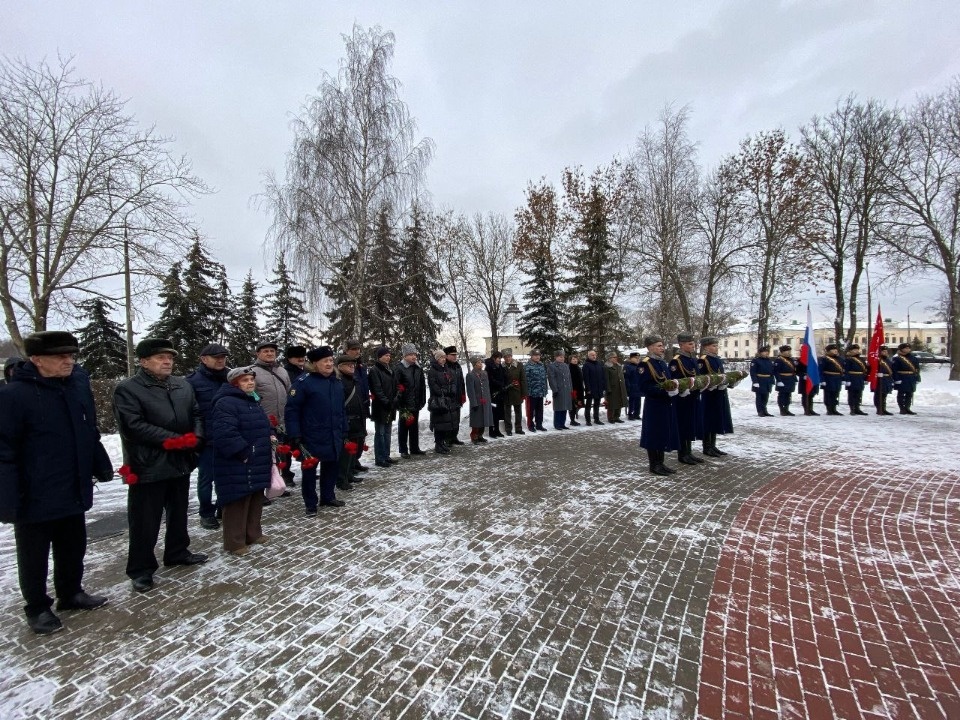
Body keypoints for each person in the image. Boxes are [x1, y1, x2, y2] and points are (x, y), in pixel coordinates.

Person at [0, 332, 113, 634]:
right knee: (34, 554)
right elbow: (4, 450)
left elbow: (88, 431)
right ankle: (37, 607)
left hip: (72, 484)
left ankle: (71, 593)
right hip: (34, 491)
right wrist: (8, 497)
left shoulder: (73, 388)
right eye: (60, 357)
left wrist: (100, 464)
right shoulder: (13, 396)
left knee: (72, 544)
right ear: (36, 360)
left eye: (71, 356)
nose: (68, 361)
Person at [114, 338, 207, 594]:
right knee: (145, 519)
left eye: (170, 357)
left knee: (179, 510)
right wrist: (176, 441)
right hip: (148, 465)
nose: (167, 361)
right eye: (160, 357)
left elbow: (196, 413)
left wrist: (197, 438)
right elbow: (133, 426)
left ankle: (177, 551)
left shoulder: (182, 385)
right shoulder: (128, 389)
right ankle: (141, 569)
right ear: (144, 362)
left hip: (180, 461)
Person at [208, 367, 271, 556]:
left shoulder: (253, 401)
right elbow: (225, 432)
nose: (250, 383)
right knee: (237, 501)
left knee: (254, 497)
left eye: (251, 379)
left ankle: (253, 533)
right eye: (245, 380)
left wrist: (272, 435)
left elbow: (262, 425)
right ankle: (235, 542)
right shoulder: (226, 403)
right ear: (235, 384)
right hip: (237, 460)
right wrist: (243, 452)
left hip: (257, 457)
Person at [285, 346, 348, 514]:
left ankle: (328, 496)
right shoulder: (303, 382)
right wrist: (295, 435)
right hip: (311, 435)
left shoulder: (336, 381)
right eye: (325, 361)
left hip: (333, 432)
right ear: (314, 363)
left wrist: (344, 429)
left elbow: (341, 409)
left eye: (330, 360)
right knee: (310, 471)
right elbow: (292, 410)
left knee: (331, 466)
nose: (329, 364)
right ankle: (310, 503)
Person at [186, 342, 231, 529]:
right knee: (207, 478)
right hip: (207, 439)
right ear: (204, 359)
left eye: (223, 357)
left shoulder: (231, 377)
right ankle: (206, 512)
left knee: (227, 476)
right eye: (216, 357)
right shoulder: (192, 382)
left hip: (228, 437)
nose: (221, 360)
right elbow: (189, 412)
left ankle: (223, 507)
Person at [637, 335, 681, 476]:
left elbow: (667, 381)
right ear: (650, 347)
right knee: (654, 433)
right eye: (659, 345)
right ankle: (654, 464)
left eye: (662, 345)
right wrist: (665, 392)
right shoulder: (645, 364)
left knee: (663, 432)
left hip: (665, 404)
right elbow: (644, 387)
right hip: (654, 404)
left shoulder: (662, 363)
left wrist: (673, 389)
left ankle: (661, 463)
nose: (662, 348)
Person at [252, 341, 292, 490]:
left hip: (281, 423)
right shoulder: (252, 372)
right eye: (265, 351)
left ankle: (277, 486)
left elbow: (289, 393)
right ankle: (261, 490)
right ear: (258, 353)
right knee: (263, 458)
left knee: (280, 456)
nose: (269, 353)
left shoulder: (282, 371)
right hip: (263, 423)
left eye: (272, 351)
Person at [668, 332, 704, 465]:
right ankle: (682, 454)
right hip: (682, 399)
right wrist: (682, 391)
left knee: (690, 424)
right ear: (681, 345)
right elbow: (674, 380)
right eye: (690, 344)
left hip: (693, 397)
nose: (693, 345)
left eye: (693, 343)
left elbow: (697, 377)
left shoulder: (693, 359)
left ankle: (689, 452)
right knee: (683, 425)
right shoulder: (676, 361)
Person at [697, 337, 734, 457]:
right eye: (713, 346)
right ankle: (706, 446)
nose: (716, 348)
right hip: (709, 394)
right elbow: (702, 378)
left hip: (718, 393)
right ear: (706, 347)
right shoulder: (703, 360)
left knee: (716, 419)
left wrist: (727, 382)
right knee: (708, 419)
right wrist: (710, 386)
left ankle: (713, 445)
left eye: (717, 346)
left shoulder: (717, 359)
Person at [336, 354, 366, 490]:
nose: (352, 367)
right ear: (340, 367)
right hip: (347, 420)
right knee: (345, 452)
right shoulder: (339, 381)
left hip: (357, 419)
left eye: (353, 365)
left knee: (353, 450)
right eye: (349, 365)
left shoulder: (353, 379)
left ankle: (349, 474)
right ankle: (341, 479)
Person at [395, 344, 427, 458]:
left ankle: (414, 448)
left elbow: (422, 386)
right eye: (410, 354)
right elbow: (397, 386)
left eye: (414, 354)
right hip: (404, 404)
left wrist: (422, 400)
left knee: (414, 426)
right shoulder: (399, 368)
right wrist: (399, 402)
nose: (414, 357)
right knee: (404, 427)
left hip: (416, 402)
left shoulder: (418, 368)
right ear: (405, 356)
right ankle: (403, 450)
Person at [344, 340, 371, 472]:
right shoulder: (344, 366)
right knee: (352, 437)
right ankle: (349, 464)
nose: (357, 351)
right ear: (346, 350)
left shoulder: (361, 366)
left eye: (358, 349)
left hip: (362, 405)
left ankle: (355, 461)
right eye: (353, 349)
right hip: (351, 406)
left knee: (361, 436)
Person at [369, 347, 397, 467]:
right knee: (380, 432)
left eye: (389, 355)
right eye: (385, 355)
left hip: (390, 405)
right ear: (379, 357)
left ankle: (386, 455)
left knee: (387, 432)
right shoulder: (375, 370)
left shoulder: (390, 369)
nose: (388, 357)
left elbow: (395, 386)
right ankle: (379, 458)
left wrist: (395, 399)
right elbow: (377, 389)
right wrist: (386, 401)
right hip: (380, 406)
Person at [428, 350, 460, 454]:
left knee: (446, 423)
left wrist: (452, 390)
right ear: (437, 359)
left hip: (448, 400)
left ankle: (442, 443)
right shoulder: (433, 370)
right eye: (441, 357)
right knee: (439, 424)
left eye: (444, 357)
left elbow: (453, 381)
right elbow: (433, 385)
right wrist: (443, 392)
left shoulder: (447, 369)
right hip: (439, 401)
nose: (443, 359)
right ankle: (438, 444)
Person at [466, 357, 493, 443]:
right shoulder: (470, 375)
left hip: (485, 400)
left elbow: (487, 387)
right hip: (477, 400)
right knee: (476, 419)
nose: (480, 364)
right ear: (474, 365)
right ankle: (474, 436)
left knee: (484, 418)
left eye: (481, 362)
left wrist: (488, 399)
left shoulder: (485, 373)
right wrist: (474, 402)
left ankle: (480, 435)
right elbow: (470, 390)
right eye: (478, 363)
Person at [444, 346, 467, 446]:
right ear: (446, 355)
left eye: (455, 355)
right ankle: (448, 438)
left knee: (456, 418)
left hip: (457, 396)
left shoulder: (457, 366)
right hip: (449, 397)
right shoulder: (445, 366)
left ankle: (454, 437)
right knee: (449, 419)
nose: (454, 357)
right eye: (452, 355)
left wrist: (463, 394)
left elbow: (461, 381)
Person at [890, 342, 921, 415]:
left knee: (909, 394)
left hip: (911, 378)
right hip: (902, 377)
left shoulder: (914, 358)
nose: (907, 349)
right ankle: (902, 408)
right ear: (901, 349)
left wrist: (917, 378)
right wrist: (896, 379)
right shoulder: (897, 358)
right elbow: (894, 370)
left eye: (908, 348)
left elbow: (917, 369)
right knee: (901, 394)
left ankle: (907, 408)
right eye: (905, 348)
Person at [502, 349, 527, 434]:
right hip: (507, 393)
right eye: (505, 357)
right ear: (504, 358)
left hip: (517, 391)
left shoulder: (519, 365)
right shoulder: (502, 367)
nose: (508, 359)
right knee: (507, 412)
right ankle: (508, 429)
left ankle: (518, 428)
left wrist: (524, 393)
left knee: (518, 411)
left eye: (509, 356)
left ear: (511, 356)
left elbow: (523, 379)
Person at [546, 349, 572, 430]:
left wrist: (571, 389)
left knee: (564, 407)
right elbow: (552, 379)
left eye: (563, 357)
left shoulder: (566, 366)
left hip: (566, 390)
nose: (562, 358)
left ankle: (562, 423)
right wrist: (555, 389)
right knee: (558, 408)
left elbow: (569, 378)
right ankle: (557, 424)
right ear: (556, 357)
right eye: (560, 357)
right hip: (559, 390)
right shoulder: (552, 366)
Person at [524, 350, 548, 432]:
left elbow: (544, 378)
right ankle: (530, 425)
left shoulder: (541, 365)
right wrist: (527, 391)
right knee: (531, 410)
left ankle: (539, 424)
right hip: (532, 392)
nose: (538, 357)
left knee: (539, 410)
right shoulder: (527, 366)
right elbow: (525, 380)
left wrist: (545, 390)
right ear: (531, 356)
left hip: (540, 392)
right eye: (535, 355)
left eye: (539, 355)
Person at [819, 344, 846, 416]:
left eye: (836, 349)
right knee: (828, 394)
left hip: (837, 378)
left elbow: (843, 370)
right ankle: (829, 409)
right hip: (828, 378)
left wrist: (843, 379)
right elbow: (820, 370)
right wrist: (822, 380)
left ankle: (834, 409)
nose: (835, 350)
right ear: (828, 351)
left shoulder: (840, 359)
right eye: (833, 349)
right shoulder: (824, 359)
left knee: (836, 394)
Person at [484, 351, 507, 437]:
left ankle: (497, 430)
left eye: (500, 358)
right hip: (492, 393)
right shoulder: (489, 367)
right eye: (498, 358)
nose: (500, 360)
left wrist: (504, 384)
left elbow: (503, 376)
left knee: (498, 413)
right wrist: (499, 384)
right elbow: (489, 379)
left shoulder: (499, 366)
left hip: (500, 393)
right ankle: (491, 431)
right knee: (493, 412)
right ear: (494, 358)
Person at [749, 345, 775, 417]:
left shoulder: (769, 361)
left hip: (767, 381)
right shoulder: (756, 361)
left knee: (766, 397)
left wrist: (772, 380)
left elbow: (772, 372)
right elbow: (753, 372)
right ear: (760, 353)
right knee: (759, 397)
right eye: (764, 352)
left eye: (767, 352)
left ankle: (765, 410)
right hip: (760, 380)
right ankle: (760, 411)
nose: (766, 353)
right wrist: (755, 382)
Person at [582, 350, 607, 426]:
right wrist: (588, 389)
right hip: (591, 389)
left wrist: (603, 386)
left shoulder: (599, 364)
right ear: (588, 356)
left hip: (599, 388)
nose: (594, 356)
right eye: (592, 355)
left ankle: (596, 419)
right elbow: (586, 378)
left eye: (595, 355)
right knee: (588, 405)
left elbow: (603, 376)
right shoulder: (586, 365)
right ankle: (588, 420)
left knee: (597, 404)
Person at [772, 345, 798, 416]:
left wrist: (795, 379)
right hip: (783, 379)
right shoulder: (779, 360)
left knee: (788, 395)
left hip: (790, 379)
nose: (789, 352)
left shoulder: (791, 359)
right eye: (787, 351)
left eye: (789, 351)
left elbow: (793, 370)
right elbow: (776, 371)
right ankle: (782, 409)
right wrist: (779, 381)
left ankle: (787, 409)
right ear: (782, 352)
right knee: (782, 395)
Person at [843, 344, 869, 415]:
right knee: (852, 394)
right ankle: (852, 409)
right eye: (854, 350)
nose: (856, 351)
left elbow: (865, 370)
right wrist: (847, 380)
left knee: (859, 394)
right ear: (850, 351)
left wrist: (866, 378)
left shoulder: (862, 359)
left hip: (860, 378)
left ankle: (857, 408)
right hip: (852, 378)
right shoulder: (848, 360)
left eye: (857, 350)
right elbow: (846, 370)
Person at [604, 351, 627, 423]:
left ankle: (617, 417)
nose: (616, 358)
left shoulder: (619, 366)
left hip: (619, 387)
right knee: (611, 404)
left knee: (619, 402)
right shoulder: (607, 367)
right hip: (612, 388)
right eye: (614, 357)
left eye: (616, 357)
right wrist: (608, 389)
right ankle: (611, 418)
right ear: (609, 358)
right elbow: (606, 379)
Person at [873, 345, 895, 416]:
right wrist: (877, 373)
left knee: (884, 394)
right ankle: (879, 409)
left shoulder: (888, 360)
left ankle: (883, 409)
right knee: (879, 394)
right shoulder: (876, 360)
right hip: (879, 379)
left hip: (886, 379)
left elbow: (891, 369)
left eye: (886, 351)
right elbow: (872, 369)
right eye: (883, 351)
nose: (885, 352)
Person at [624, 352, 643, 420]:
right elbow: (626, 378)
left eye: (638, 358)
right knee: (632, 401)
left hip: (639, 386)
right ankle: (630, 414)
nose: (637, 359)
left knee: (638, 401)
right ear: (631, 358)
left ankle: (637, 414)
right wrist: (628, 386)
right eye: (636, 358)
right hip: (632, 386)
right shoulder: (628, 367)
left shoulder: (640, 366)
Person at [568, 353, 585, 426]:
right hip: (573, 389)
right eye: (573, 359)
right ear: (570, 360)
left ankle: (574, 419)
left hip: (579, 388)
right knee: (573, 405)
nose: (575, 360)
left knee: (577, 404)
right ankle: (572, 420)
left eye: (576, 359)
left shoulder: (578, 368)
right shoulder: (569, 368)